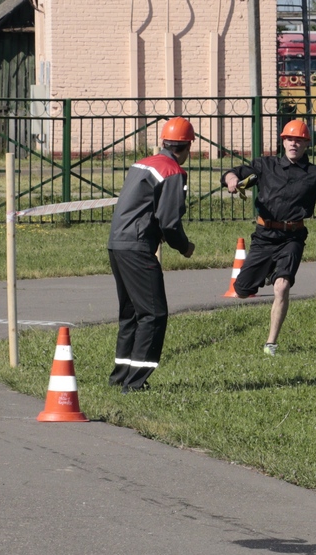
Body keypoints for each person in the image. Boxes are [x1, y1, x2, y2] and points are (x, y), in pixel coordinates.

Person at [221, 119, 316, 355]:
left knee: (282, 287)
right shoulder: (265, 165)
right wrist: (232, 180)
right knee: (242, 289)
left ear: (306, 144)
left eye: (299, 140)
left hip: (292, 238)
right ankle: (268, 271)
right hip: (264, 236)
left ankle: (271, 344)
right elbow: (233, 173)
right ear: (283, 141)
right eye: (290, 139)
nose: (294, 143)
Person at [107, 116, 196, 393]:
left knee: (131, 312)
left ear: (164, 141)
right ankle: (135, 383)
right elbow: (169, 222)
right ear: (187, 147)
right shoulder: (172, 171)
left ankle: (121, 375)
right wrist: (184, 246)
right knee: (154, 314)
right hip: (138, 247)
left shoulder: (142, 163)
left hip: (117, 243)